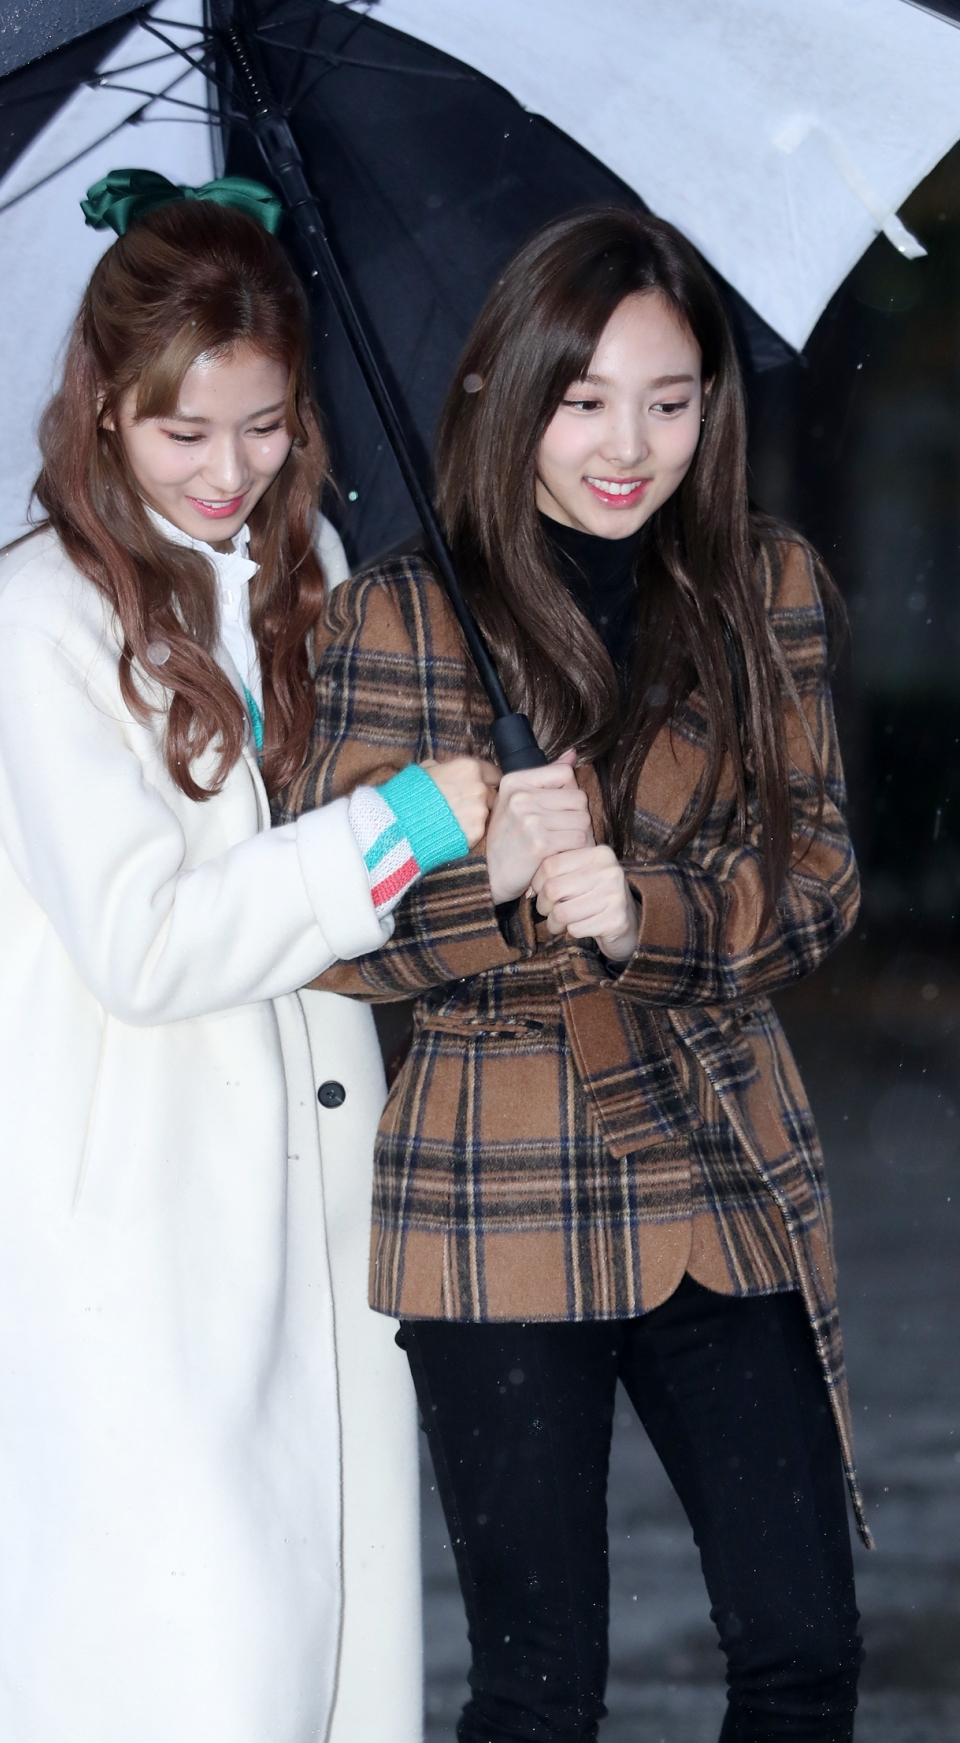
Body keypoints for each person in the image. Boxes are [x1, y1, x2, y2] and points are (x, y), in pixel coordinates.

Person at [281, 208, 867, 1743]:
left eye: (671, 402)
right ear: (506, 390)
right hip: (496, 1177)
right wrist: (491, 881)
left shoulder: (762, 586)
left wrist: (649, 913)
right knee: (541, 1688)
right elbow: (326, 932)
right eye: (585, 400)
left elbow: (820, 882)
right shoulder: (399, 611)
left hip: (717, 1161)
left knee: (803, 1649)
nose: (630, 446)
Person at [0, 170, 500, 1743]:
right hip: (118, 1244)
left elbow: (353, 885)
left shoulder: (298, 574)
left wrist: (474, 810)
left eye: (263, 425)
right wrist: (398, 824)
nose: (228, 471)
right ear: (104, 408)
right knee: (190, 1672)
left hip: (308, 1216)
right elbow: (146, 943)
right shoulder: (39, 625)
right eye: (183, 432)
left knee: (326, 1668)